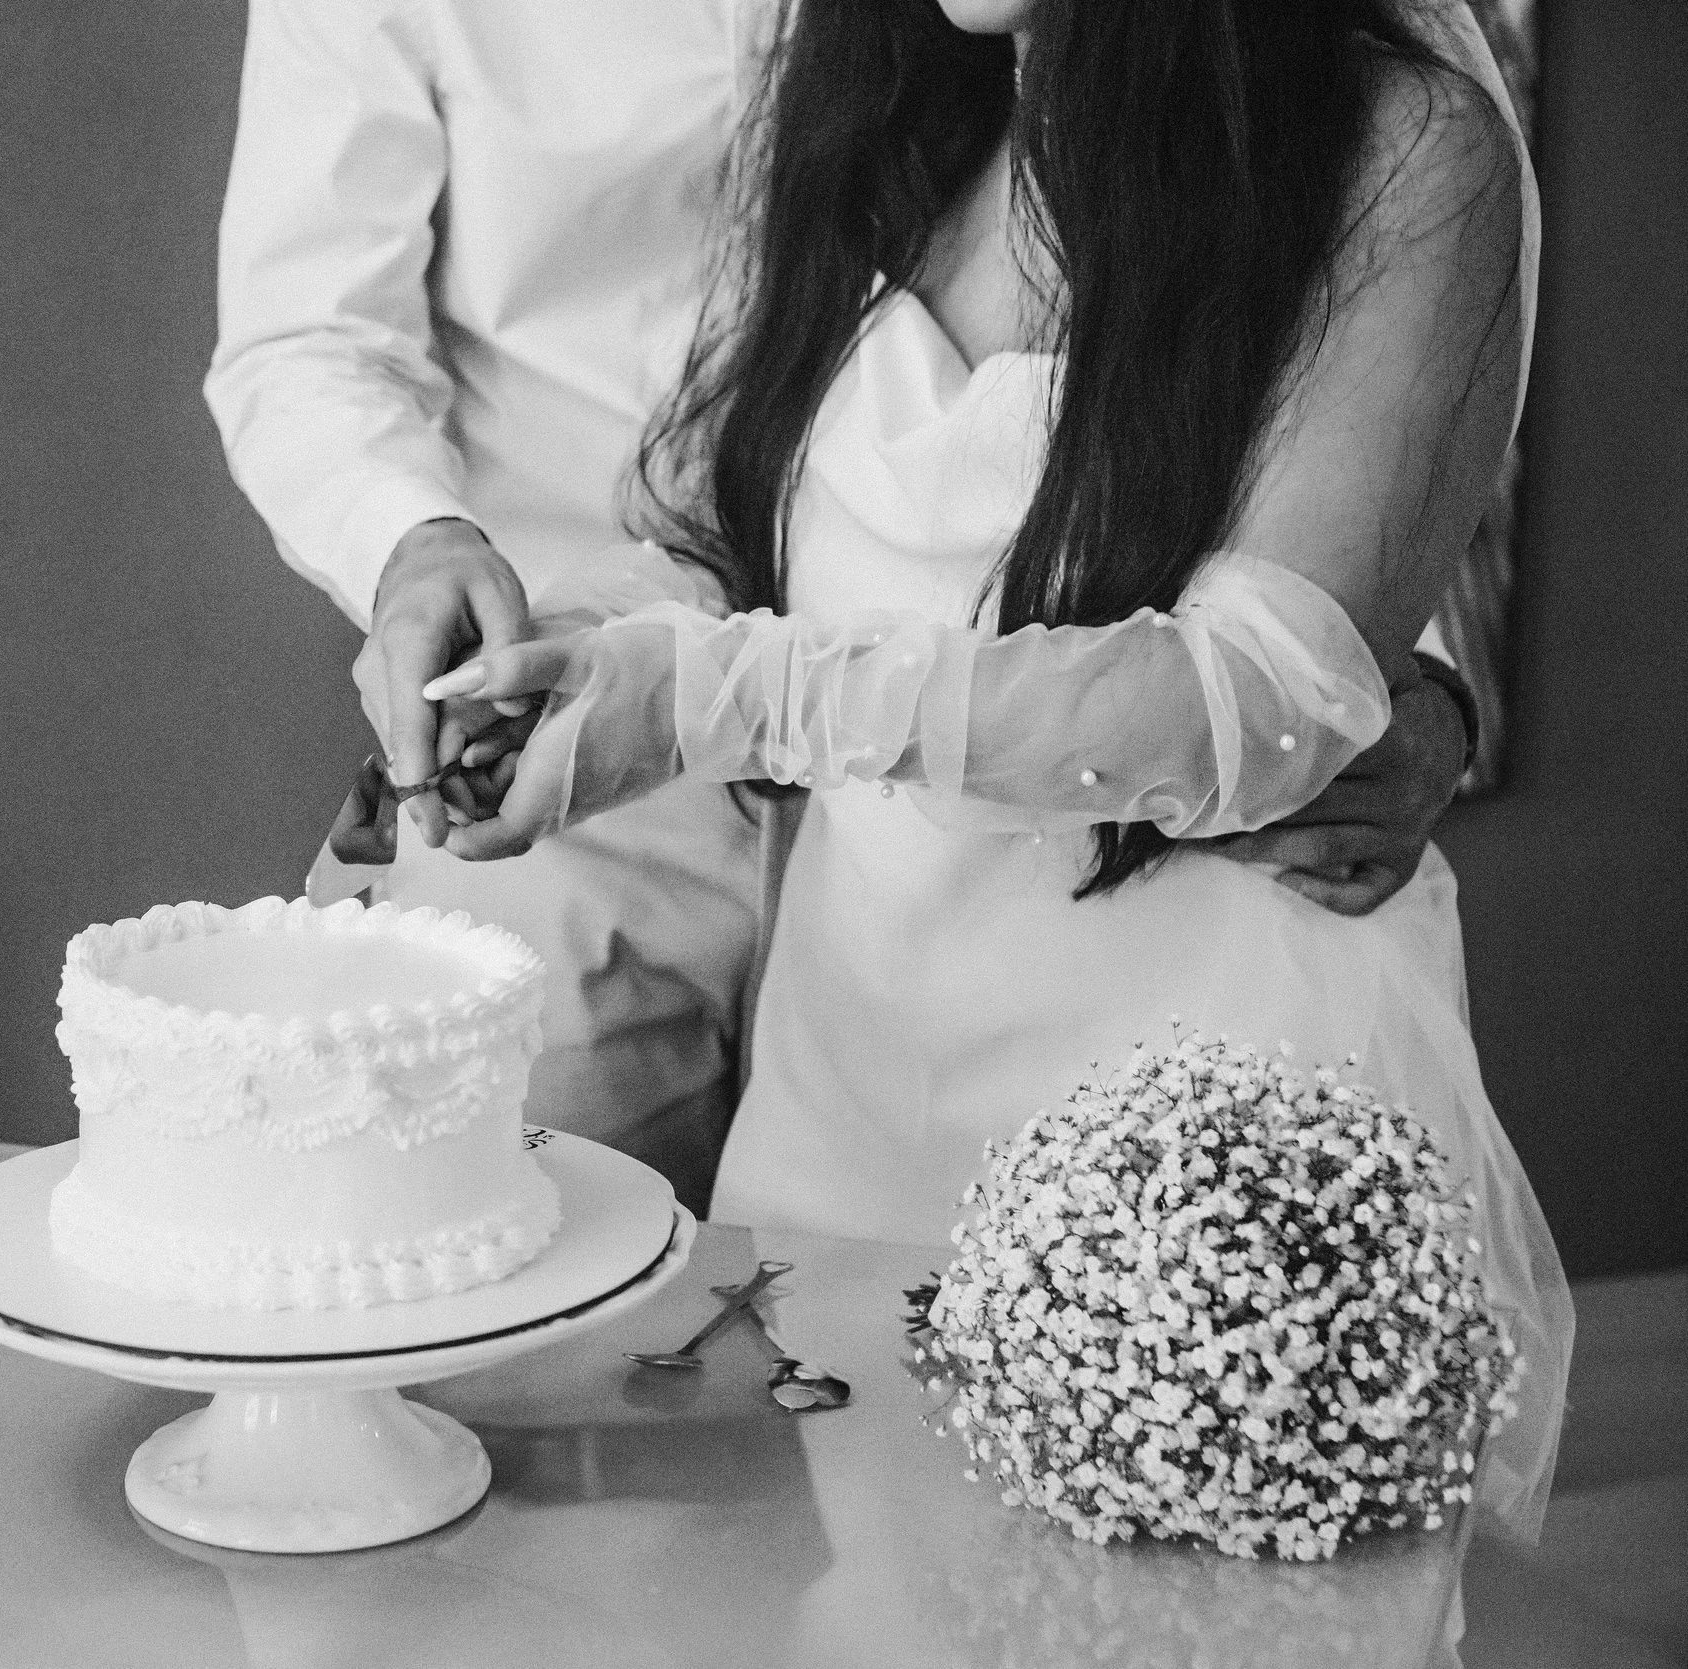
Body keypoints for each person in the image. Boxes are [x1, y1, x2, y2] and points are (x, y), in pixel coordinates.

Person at [425, 0, 1569, 1540]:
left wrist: (730, 695)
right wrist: (537, 664)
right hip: (853, 1101)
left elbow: (1252, 694)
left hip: (1202, 1170)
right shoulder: (878, 114)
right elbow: (728, 560)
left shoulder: (1401, 152)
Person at [206, 0, 1479, 1214]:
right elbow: (311, 344)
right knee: (566, 1335)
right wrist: (433, 562)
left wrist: (1369, 671)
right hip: (595, 775)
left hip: (1088, 870)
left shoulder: (1372, 142)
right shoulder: (903, 114)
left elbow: (1296, 503)